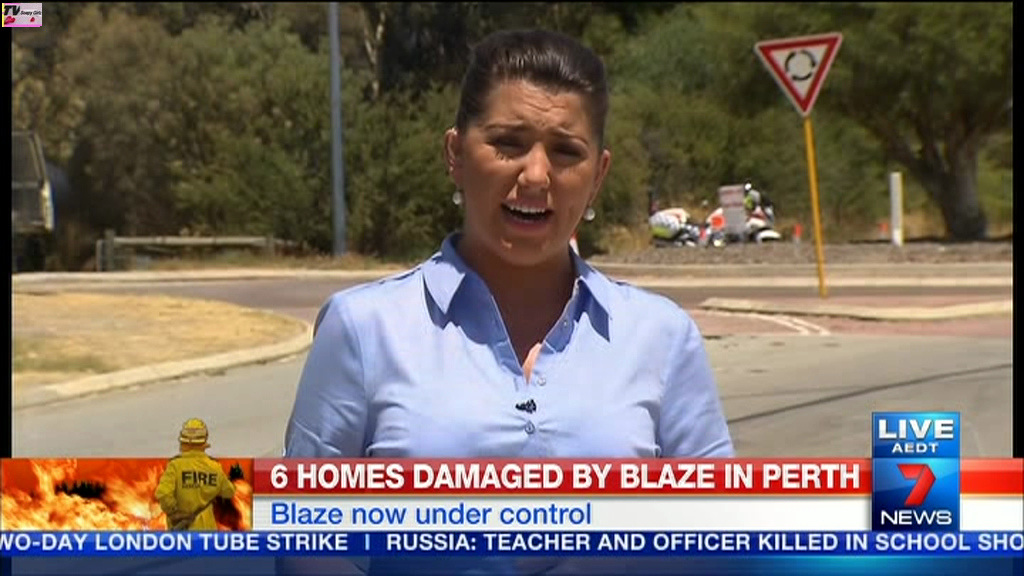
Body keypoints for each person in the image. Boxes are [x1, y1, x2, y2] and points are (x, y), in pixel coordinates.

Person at [281, 28, 734, 575]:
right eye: (508, 143)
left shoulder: (661, 337)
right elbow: (308, 542)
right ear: (456, 154)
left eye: (566, 152)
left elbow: (717, 538)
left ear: (598, 176)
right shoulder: (363, 329)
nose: (536, 175)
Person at [154, 418, 236, 531]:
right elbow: (229, 491)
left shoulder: (175, 466)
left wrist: (175, 512)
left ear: (183, 442)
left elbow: (163, 493)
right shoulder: (215, 467)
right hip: (208, 532)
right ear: (204, 442)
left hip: (182, 532)